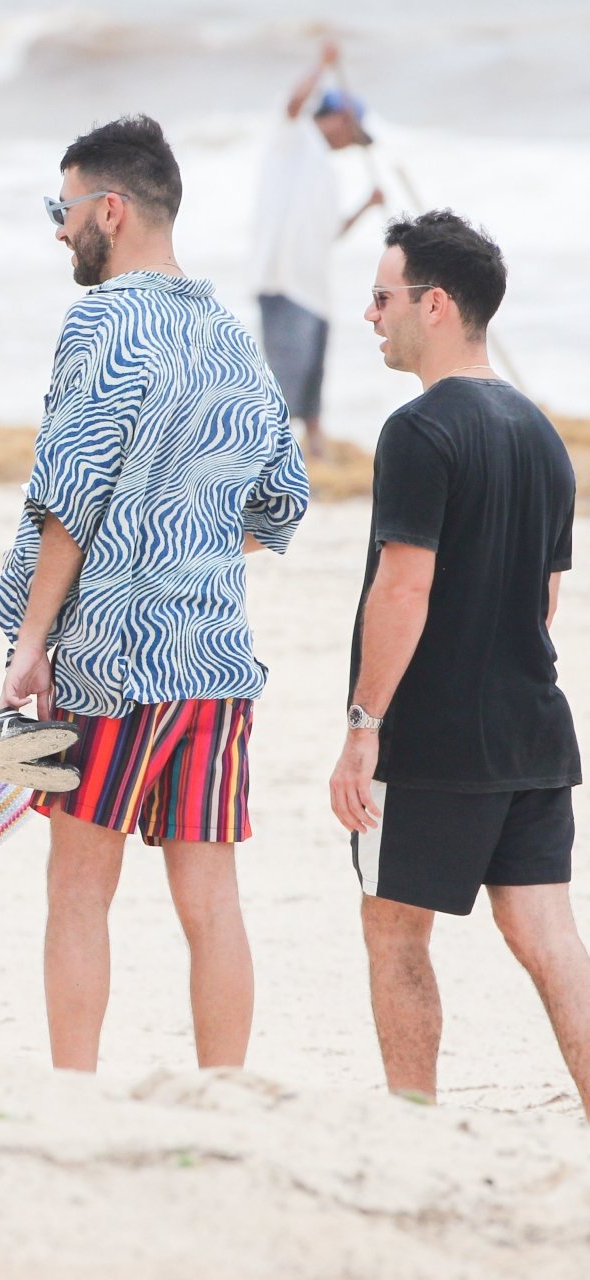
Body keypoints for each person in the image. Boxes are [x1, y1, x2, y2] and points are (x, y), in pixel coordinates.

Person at [0, 114, 310, 1072]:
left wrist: (30, 640)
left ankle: (75, 1093)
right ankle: (225, 1092)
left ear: (110, 210)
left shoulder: (102, 321)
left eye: (61, 208)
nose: (57, 228)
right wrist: (189, 540)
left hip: (111, 661)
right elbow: (282, 502)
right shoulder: (230, 334)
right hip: (213, 659)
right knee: (211, 903)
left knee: (78, 891)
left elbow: (68, 497)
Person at [329, 209, 590, 1115]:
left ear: (433, 303)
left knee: (394, 931)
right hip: (532, 732)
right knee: (550, 939)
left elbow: (404, 588)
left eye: (381, 297)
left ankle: (413, 1122)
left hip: (432, 741)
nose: (370, 315)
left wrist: (362, 726)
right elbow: (544, 599)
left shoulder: (417, 430)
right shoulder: (542, 434)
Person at [253, 40, 384, 457]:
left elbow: (331, 232)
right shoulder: (294, 138)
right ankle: (269, 456)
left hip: (315, 290)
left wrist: (366, 205)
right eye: (353, 134)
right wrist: (322, 66)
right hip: (284, 281)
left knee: (312, 381)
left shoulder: (328, 172)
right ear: (341, 118)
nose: (351, 143)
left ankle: (315, 450)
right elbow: (294, 103)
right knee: (284, 379)